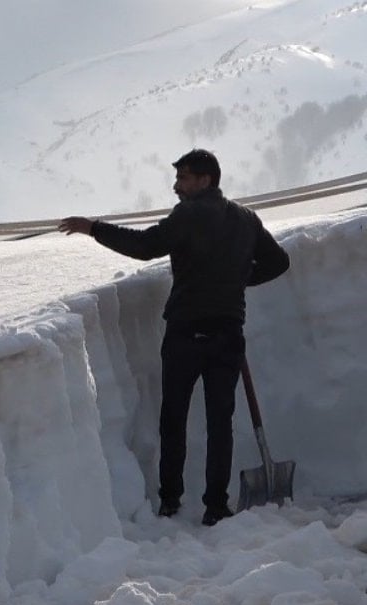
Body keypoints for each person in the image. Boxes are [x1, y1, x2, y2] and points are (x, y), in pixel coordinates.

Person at [59, 149, 290, 526]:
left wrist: (94, 228)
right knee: (220, 421)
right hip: (228, 333)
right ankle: (216, 505)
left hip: (186, 332)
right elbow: (278, 262)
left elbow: (145, 246)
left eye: (183, 178)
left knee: (174, 417)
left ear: (205, 180)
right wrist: (237, 280)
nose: (176, 186)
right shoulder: (246, 219)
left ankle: (170, 499)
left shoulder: (189, 214)